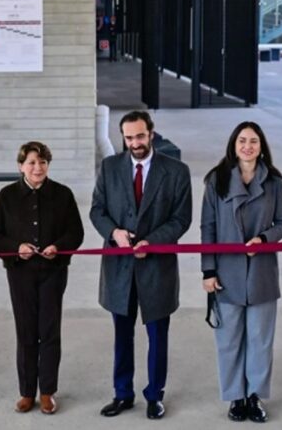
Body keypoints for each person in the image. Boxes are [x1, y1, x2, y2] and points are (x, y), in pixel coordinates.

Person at [90, 110, 191, 420]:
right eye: (129, 137)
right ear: (123, 137)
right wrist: (114, 233)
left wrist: (153, 242)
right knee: (123, 335)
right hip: (119, 269)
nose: (135, 142)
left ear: (151, 133)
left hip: (157, 267)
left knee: (157, 336)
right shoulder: (109, 168)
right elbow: (97, 211)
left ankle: (154, 395)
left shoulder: (176, 171)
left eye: (140, 136)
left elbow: (181, 218)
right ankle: (123, 394)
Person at [0, 141, 84, 415]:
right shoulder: (7, 196)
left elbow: (76, 232)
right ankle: (27, 392)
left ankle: (47, 392)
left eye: (42, 162)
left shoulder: (63, 194)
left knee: (49, 331)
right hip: (20, 273)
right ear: (20, 166)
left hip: (53, 272)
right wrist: (16, 249)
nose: (37, 167)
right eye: (31, 162)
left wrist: (58, 247)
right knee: (26, 332)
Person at [201, 122, 282, 423]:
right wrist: (208, 271)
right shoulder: (217, 181)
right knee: (228, 340)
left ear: (261, 146)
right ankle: (235, 397)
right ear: (234, 145)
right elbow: (208, 227)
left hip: (262, 272)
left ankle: (254, 396)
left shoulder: (275, 183)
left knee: (260, 339)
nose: (248, 146)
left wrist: (264, 239)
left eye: (253, 141)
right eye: (242, 140)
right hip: (227, 273)